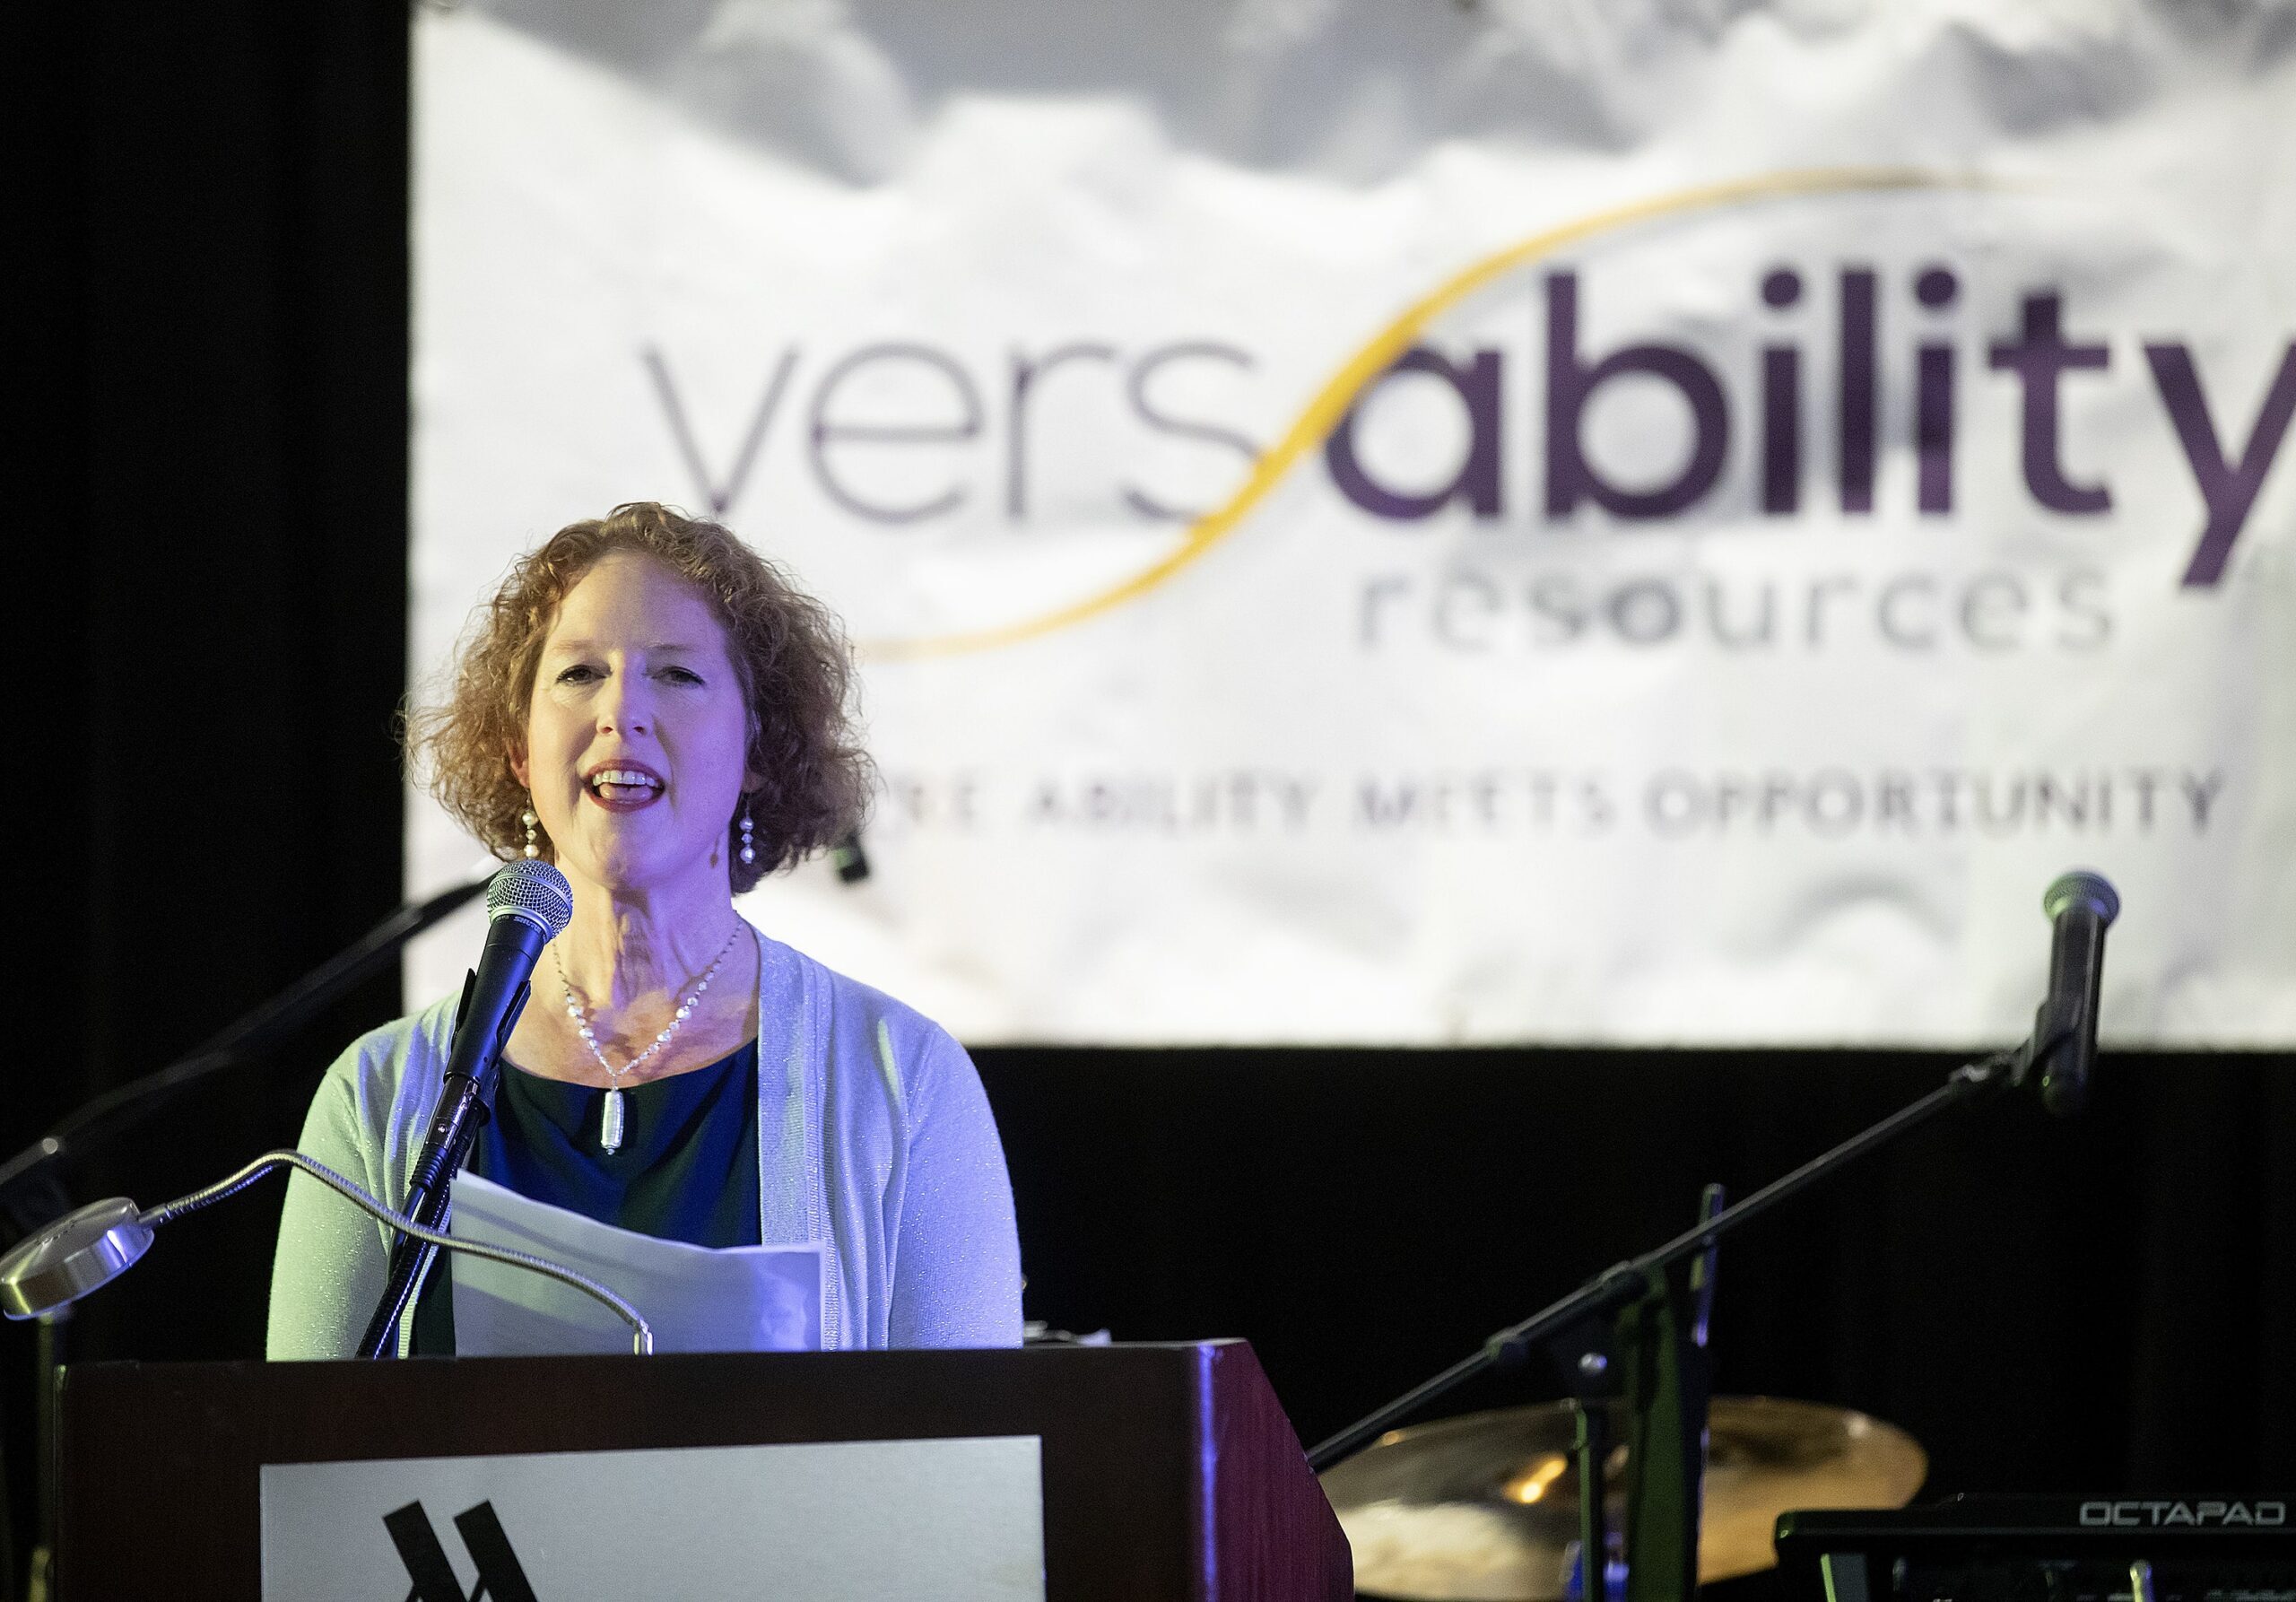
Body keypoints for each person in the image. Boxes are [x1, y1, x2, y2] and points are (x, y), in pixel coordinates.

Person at [266, 501, 1022, 1357]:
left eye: (677, 675)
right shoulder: (379, 1095)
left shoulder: (902, 1080)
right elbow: (307, 1468)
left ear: (758, 751)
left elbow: (965, 1465)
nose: (620, 712)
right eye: (580, 672)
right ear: (521, 749)